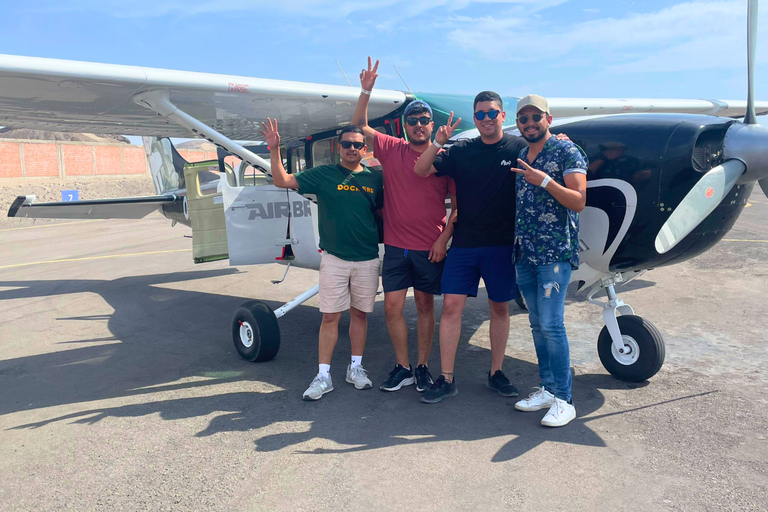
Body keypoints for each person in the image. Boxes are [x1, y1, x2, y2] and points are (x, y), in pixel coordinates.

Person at [351, 57, 457, 393]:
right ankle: (403, 366)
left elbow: (459, 207)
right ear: (404, 126)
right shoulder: (390, 147)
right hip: (396, 246)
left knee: (425, 306)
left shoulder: (445, 158)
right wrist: (366, 90)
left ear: (431, 124)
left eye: (424, 120)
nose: (419, 125)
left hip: (430, 247)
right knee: (394, 307)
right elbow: (359, 125)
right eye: (413, 120)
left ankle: (423, 365)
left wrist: (443, 240)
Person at [413, 91, 525, 404]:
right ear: (474, 118)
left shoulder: (519, 149)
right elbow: (421, 169)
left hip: (500, 245)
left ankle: (496, 372)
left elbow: (549, 155)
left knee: (499, 308)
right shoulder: (461, 150)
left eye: (492, 113)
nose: (486, 119)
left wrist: (564, 141)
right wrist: (438, 141)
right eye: (480, 114)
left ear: (503, 116)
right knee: (450, 308)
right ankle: (446, 378)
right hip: (464, 244)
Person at [260, 119, 383, 401]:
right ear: (338, 148)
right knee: (330, 317)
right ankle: (323, 375)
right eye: (347, 144)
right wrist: (274, 148)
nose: (352, 149)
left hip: (367, 258)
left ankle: (356, 368)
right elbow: (282, 181)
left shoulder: (374, 178)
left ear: (365, 149)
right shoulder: (324, 174)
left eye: (357, 144)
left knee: (360, 314)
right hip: (334, 258)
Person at [510, 94, 588, 427]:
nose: (529, 123)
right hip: (524, 252)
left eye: (535, 117)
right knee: (536, 324)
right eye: (523, 119)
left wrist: (544, 180)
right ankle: (547, 388)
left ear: (548, 119)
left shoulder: (567, 151)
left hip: (554, 253)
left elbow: (579, 200)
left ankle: (565, 400)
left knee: (553, 325)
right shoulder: (521, 154)